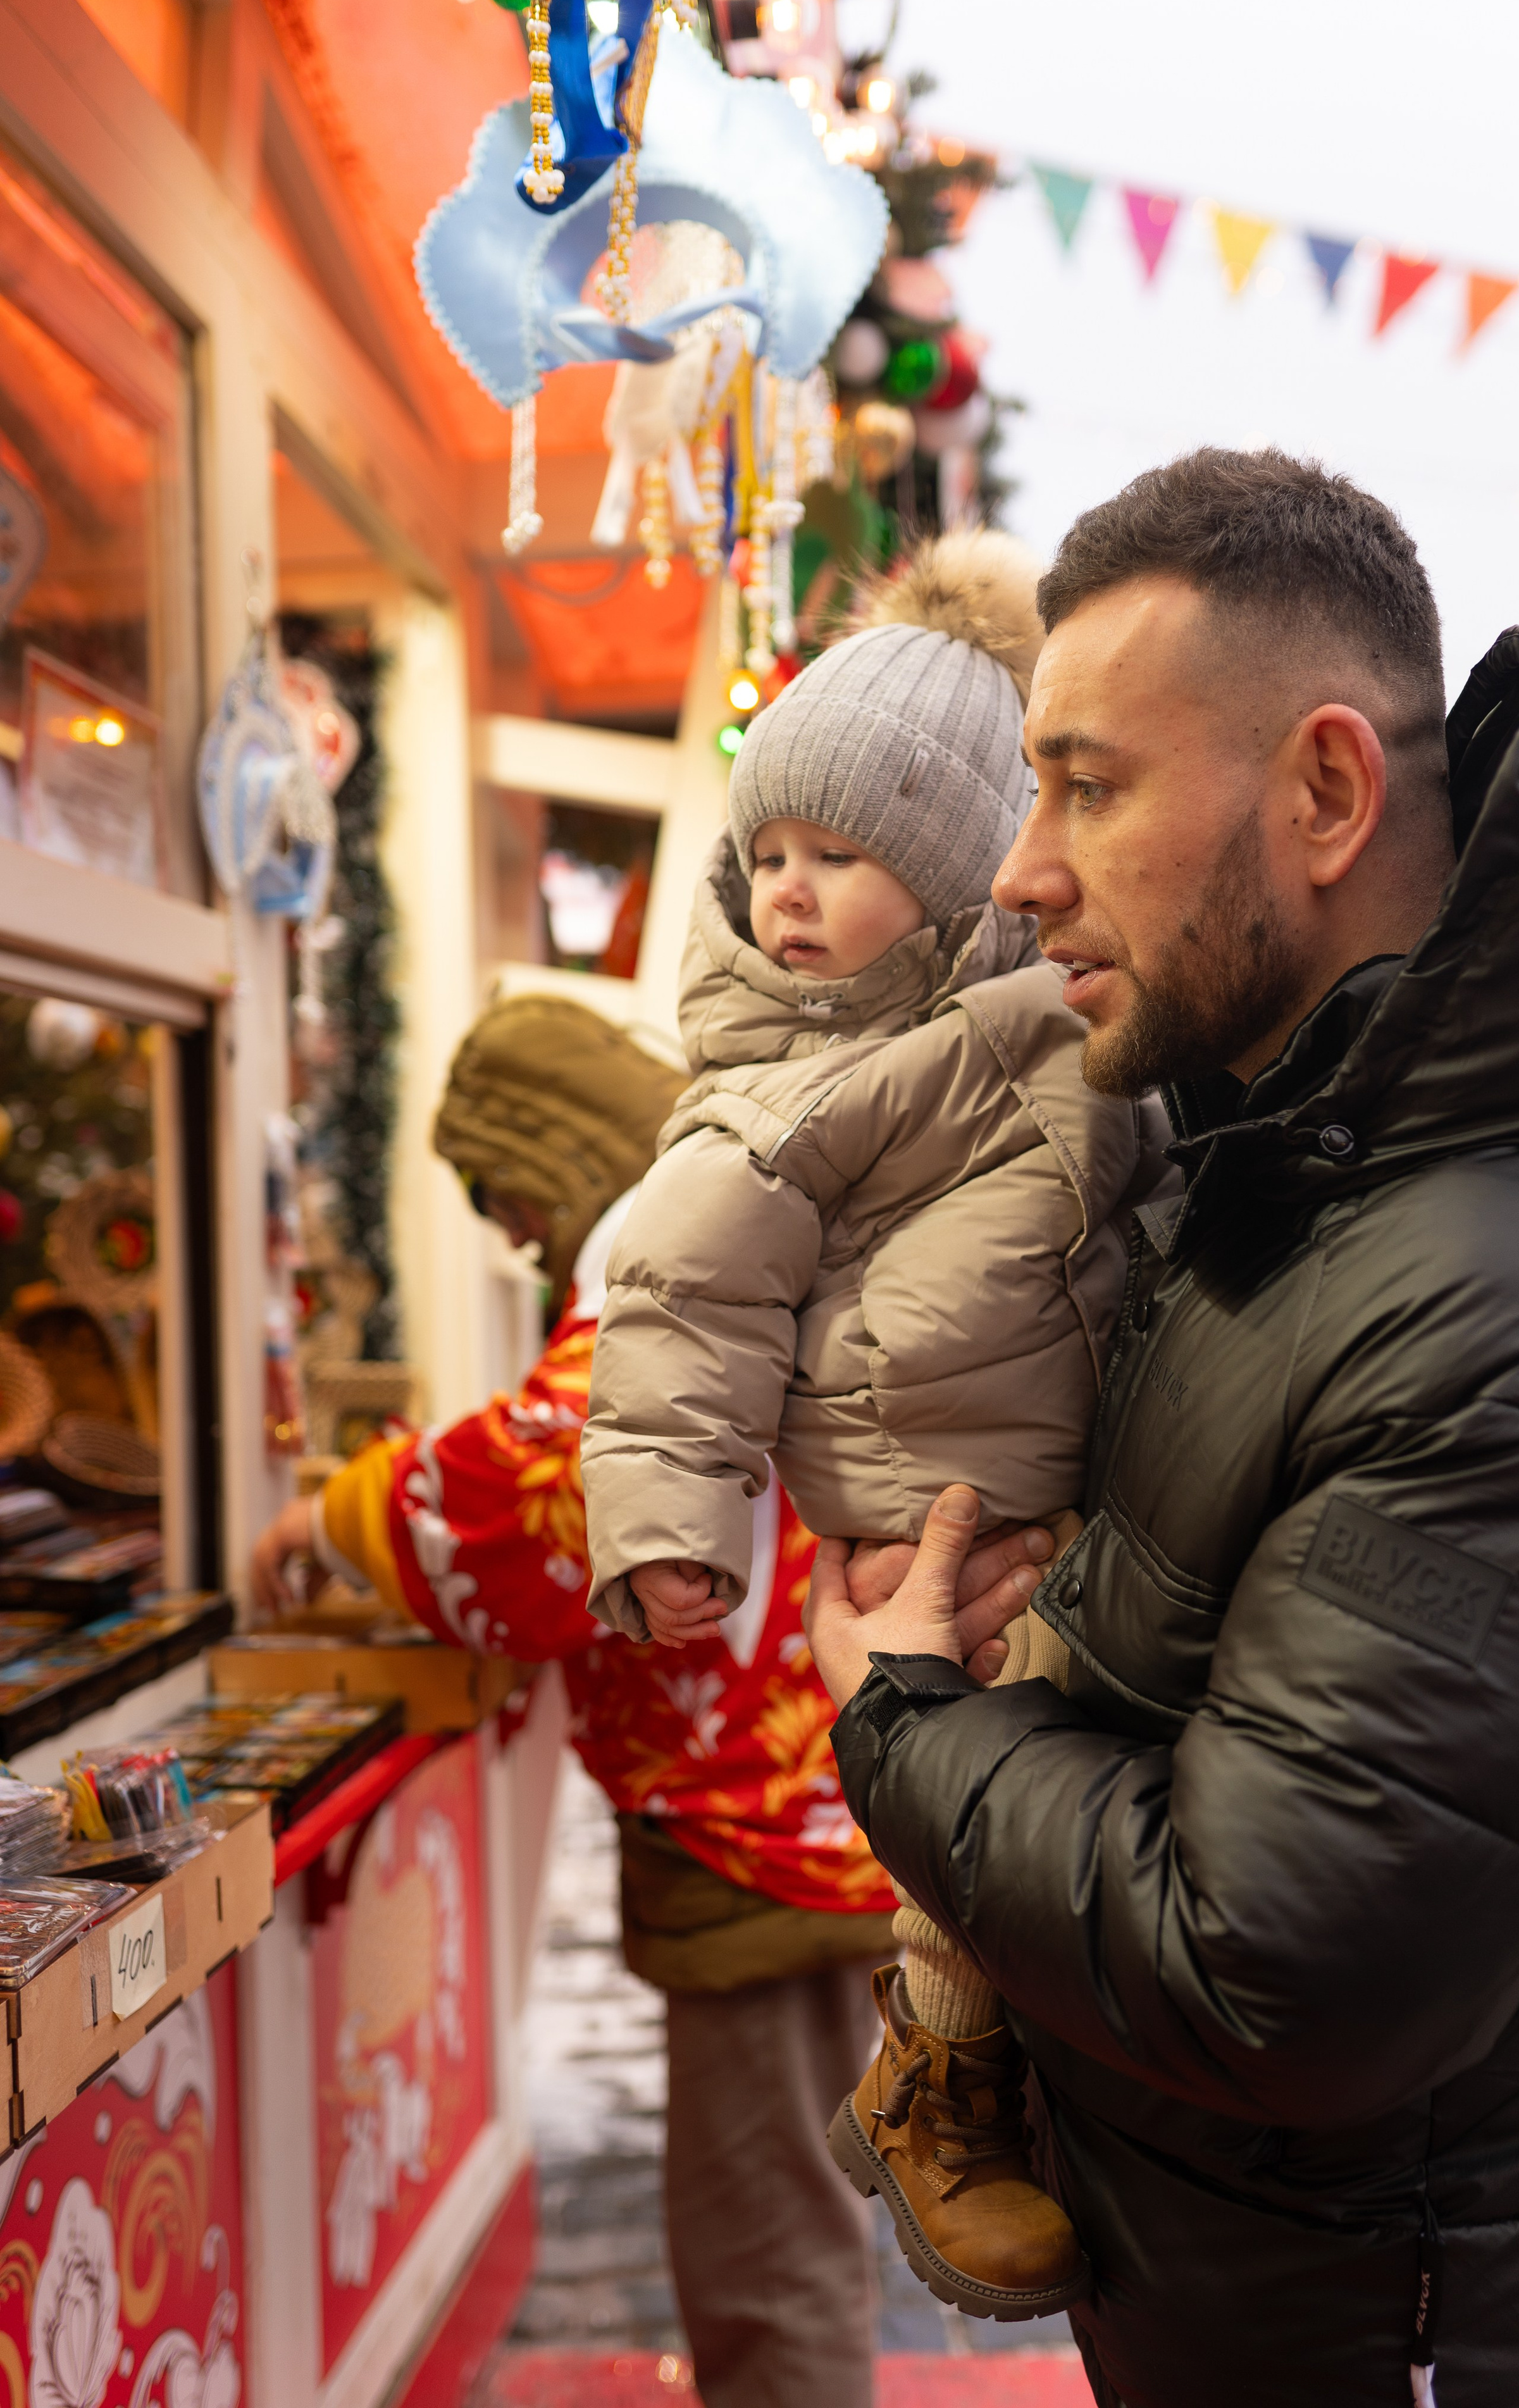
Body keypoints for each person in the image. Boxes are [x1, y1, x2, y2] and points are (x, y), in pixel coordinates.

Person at [805, 447, 1519, 2407]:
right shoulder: (1275, 1167)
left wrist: (909, 1714)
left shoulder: (1505, 1295)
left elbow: (1274, 1970)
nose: (1020, 869)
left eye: (1088, 781)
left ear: (1328, 792)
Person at [251, 994, 1026, 2408]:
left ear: (559, 1156)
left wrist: (330, 1518)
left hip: (758, 1838)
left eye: (502, 1190)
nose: (504, 1232)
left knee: (759, 2230)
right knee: (803, 2188)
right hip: (839, 1800)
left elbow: (539, 1494)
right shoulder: (756, 1227)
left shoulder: (663, 1267)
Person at [581, 532, 1170, 2321]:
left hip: (1078, 1495)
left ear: (952, 873)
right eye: (764, 855)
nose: (788, 892)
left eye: (838, 858)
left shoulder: (1064, 1023)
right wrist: (669, 1521)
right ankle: (946, 2086)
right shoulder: (764, 1093)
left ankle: (1050, 2086)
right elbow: (684, 1300)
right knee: (991, 1791)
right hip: (915, 1498)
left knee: (1103, 1794)